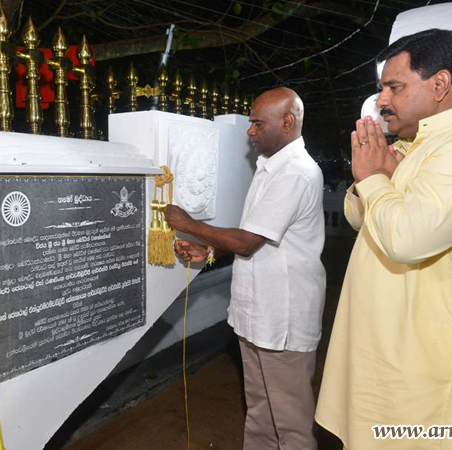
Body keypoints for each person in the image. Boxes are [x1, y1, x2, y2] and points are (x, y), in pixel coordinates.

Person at [315, 29, 452, 449]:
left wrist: (374, 178)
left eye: (394, 86)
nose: (382, 100)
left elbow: (406, 237)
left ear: (440, 84)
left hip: (433, 381)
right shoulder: (421, 145)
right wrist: (377, 180)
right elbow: (359, 216)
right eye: (382, 87)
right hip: (393, 363)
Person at [165, 87, 326, 450]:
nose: (249, 131)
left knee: (291, 424)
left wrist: (188, 223)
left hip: (282, 320)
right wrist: (209, 250)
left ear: (288, 122)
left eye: (257, 123)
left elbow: (248, 242)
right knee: (260, 413)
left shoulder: (297, 173)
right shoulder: (270, 168)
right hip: (255, 315)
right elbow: (258, 240)